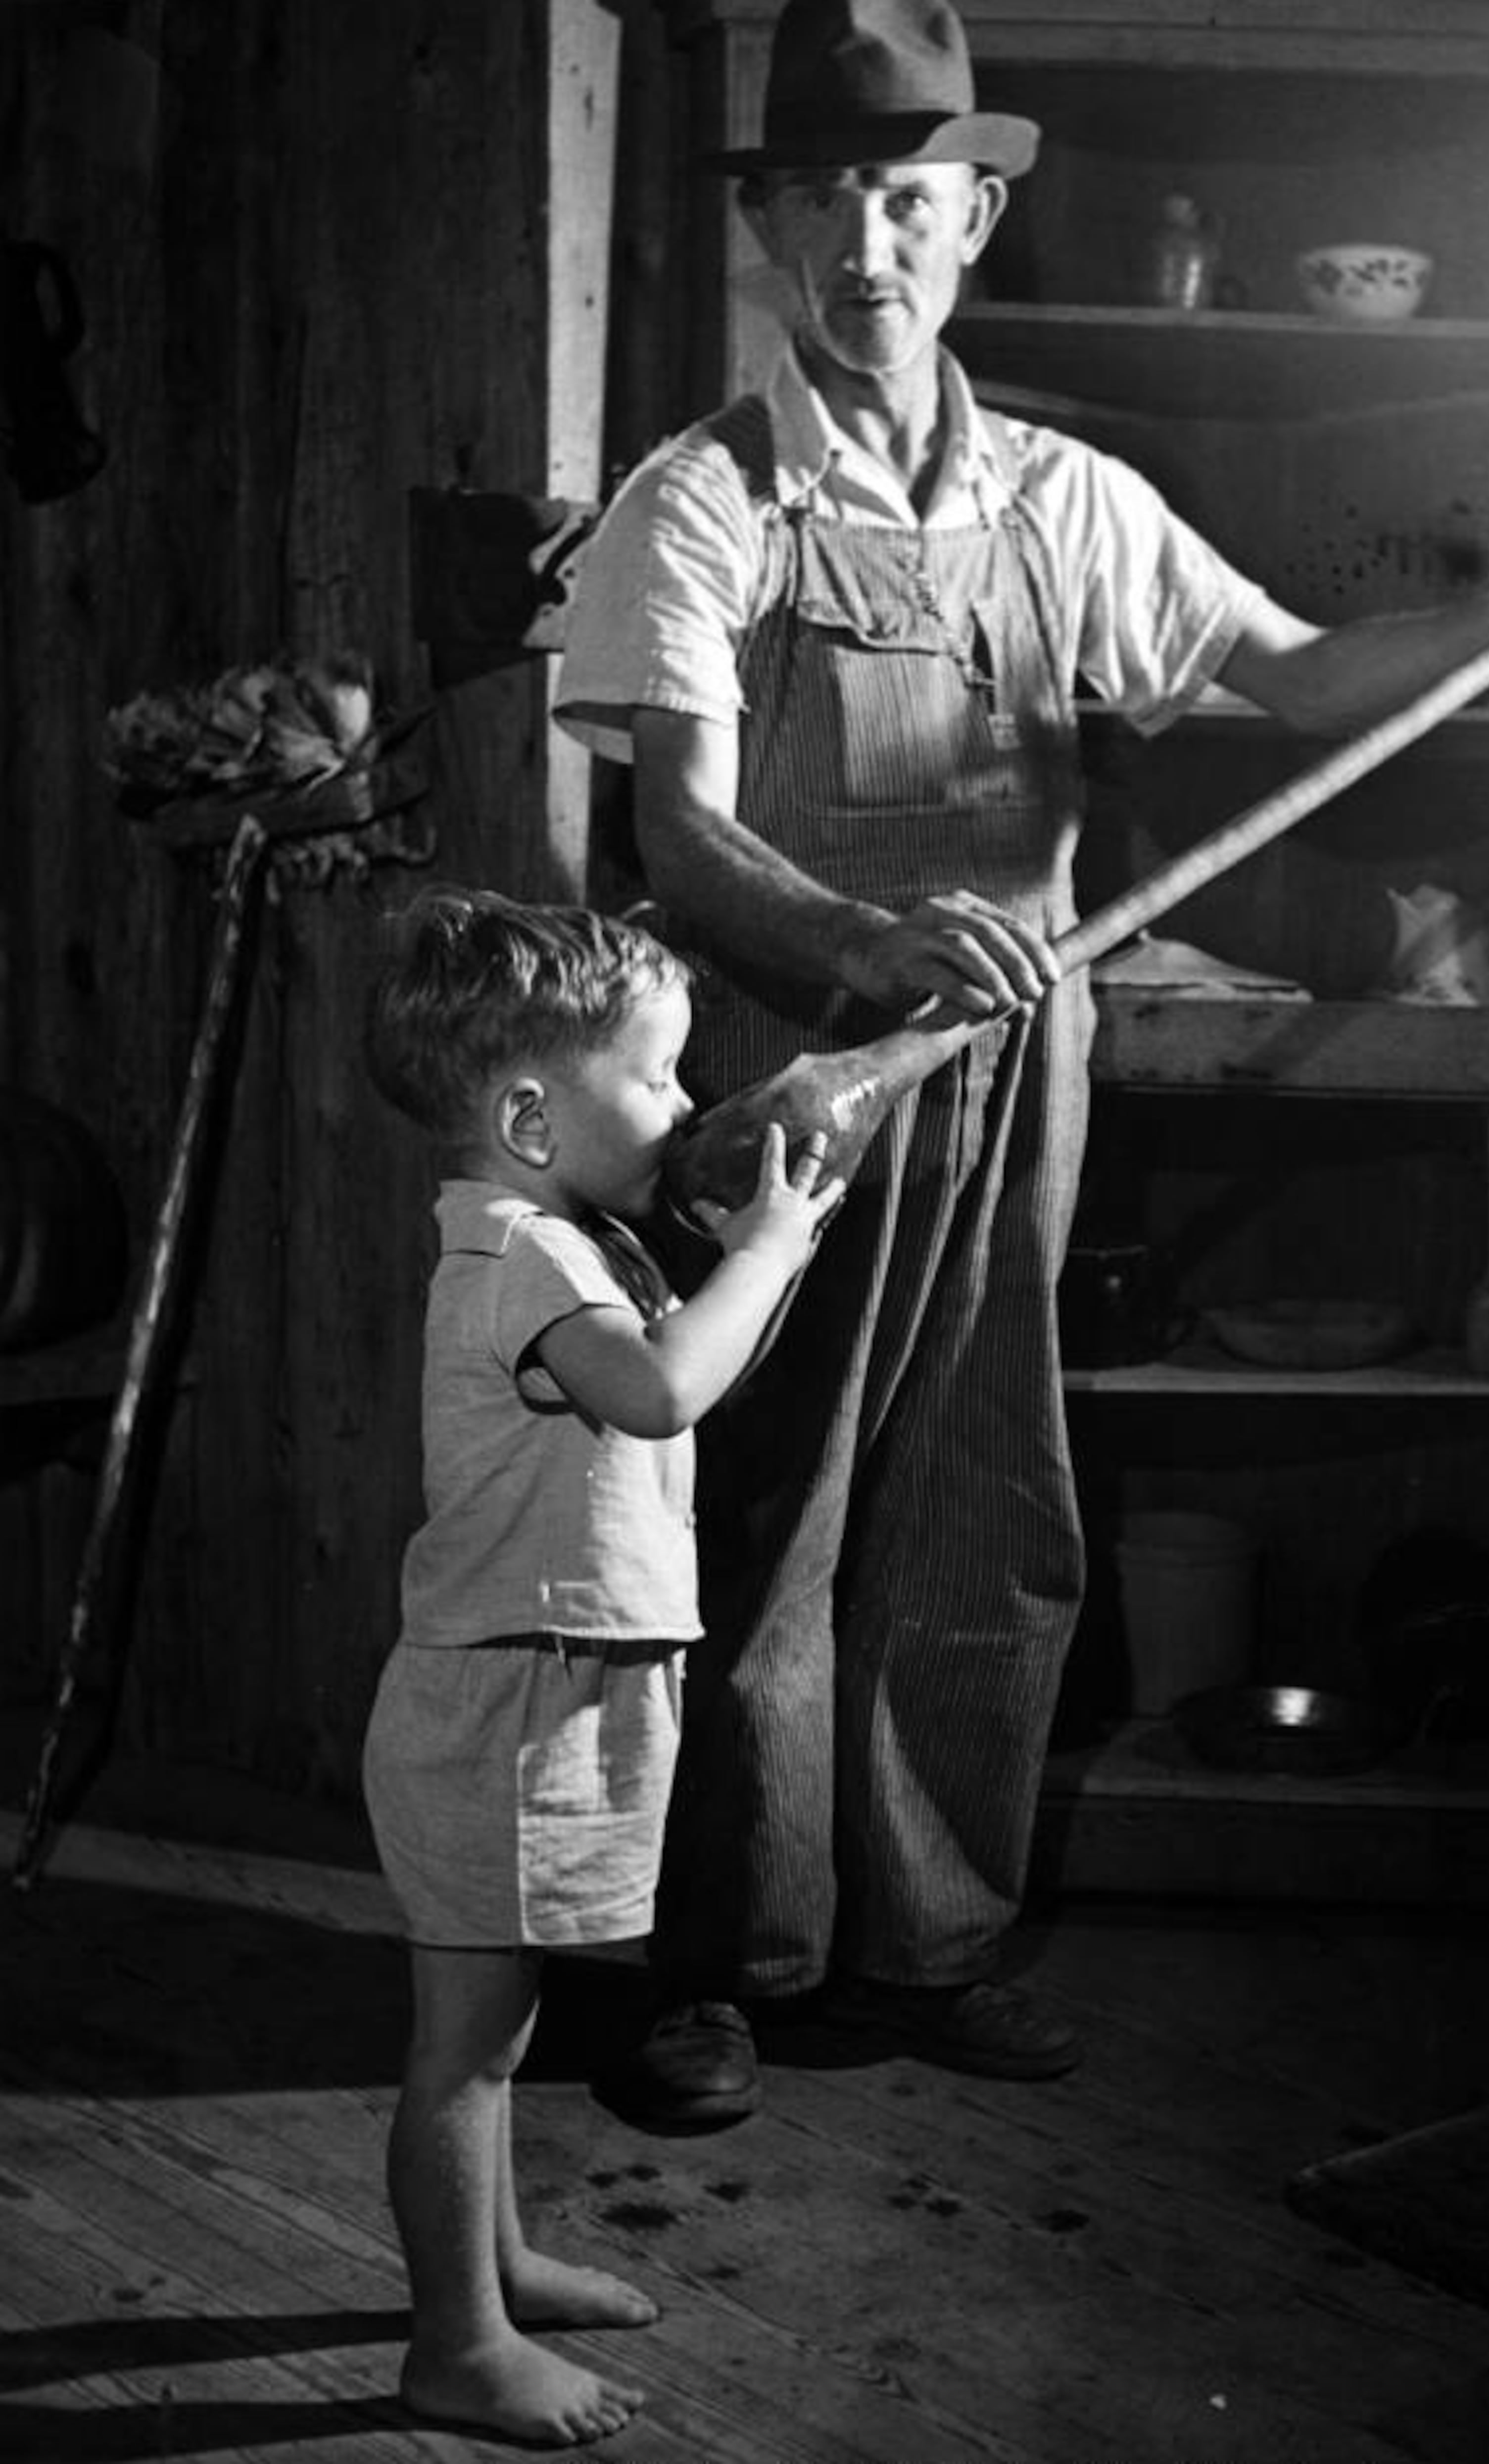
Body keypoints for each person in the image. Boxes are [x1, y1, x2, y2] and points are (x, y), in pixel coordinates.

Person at [553, 0, 1489, 2127]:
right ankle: (717, 1962)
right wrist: (867, 939)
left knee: (986, 1497)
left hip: (1014, 1072)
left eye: (910, 199)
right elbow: (679, 834)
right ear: (780, 232)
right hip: (801, 1085)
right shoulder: (705, 502)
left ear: (974, 217)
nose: (867, 247)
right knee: (760, 1506)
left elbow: (1314, 673)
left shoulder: (1066, 502)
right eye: (826, 204)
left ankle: (929, 1942)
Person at [359, 886, 839, 2444]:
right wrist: (762, 1257)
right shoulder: (522, 1257)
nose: (690, 1105)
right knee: (466, 2052)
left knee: (498, 2035)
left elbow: (675, 1382)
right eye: (659, 1075)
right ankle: (457, 2345)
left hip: (542, 1684)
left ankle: (489, 2265)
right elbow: (657, 1394)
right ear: (524, 1110)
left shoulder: (559, 1239)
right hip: (503, 1701)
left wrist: (747, 1265)